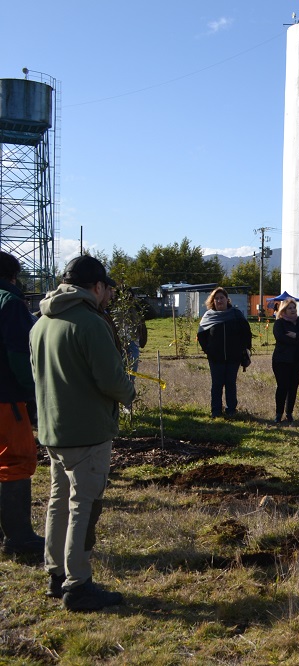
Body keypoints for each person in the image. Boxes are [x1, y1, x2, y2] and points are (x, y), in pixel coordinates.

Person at [30, 255, 135, 611]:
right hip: (87, 430)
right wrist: (129, 393)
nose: (109, 296)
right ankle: (78, 585)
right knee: (83, 506)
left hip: (52, 430)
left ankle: (56, 574)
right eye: (107, 288)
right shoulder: (89, 323)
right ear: (96, 287)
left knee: (58, 502)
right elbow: (111, 379)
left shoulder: (42, 322)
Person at [0, 251, 44, 558]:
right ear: (13, 276)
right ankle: (19, 537)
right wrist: (32, 390)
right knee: (15, 463)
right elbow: (18, 355)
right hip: (7, 397)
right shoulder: (10, 302)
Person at [197, 287, 253, 418]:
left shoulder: (236, 315)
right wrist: (208, 350)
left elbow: (246, 333)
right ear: (213, 301)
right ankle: (216, 411)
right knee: (216, 384)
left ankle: (231, 410)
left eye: (221, 298)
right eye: (216, 298)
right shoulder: (208, 316)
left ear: (227, 300)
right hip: (215, 358)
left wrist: (243, 349)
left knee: (230, 384)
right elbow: (201, 335)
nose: (219, 300)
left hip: (234, 357)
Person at [271, 299, 299, 424]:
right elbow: (280, 338)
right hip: (282, 360)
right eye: (289, 308)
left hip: (298, 359)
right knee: (282, 386)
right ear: (283, 310)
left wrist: (296, 336)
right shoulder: (279, 323)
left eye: (294, 308)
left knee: (293, 387)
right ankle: (278, 414)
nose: (293, 310)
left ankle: (289, 413)